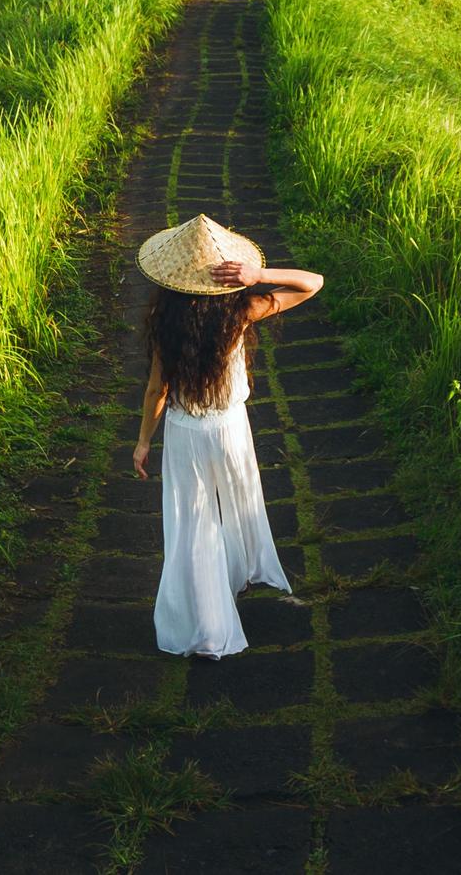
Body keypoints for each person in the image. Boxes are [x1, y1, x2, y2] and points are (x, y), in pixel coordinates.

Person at [131, 213, 324, 658]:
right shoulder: (241, 313)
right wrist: (260, 276)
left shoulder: (166, 325)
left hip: (184, 435)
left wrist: (143, 442)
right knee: (238, 506)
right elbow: (311, 282)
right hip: (230, 429)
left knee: (191, 525)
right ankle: (234, 580)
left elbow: (157, 391)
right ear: (224, 281)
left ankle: (205, 621)